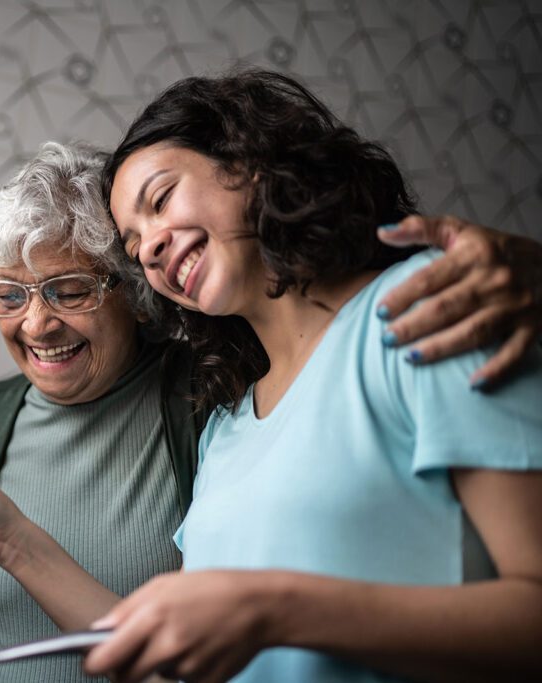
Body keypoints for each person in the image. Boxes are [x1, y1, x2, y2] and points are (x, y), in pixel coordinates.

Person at [0, 137, 540, 681]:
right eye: (8, 295)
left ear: (135, 298)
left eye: (70, 288)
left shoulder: (211, 394)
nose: (36, 322)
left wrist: (527, 261)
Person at [78, 70, 542, 682]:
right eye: (135, 247)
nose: (151, 250)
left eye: (160, 200)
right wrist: (10, 542)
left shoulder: (428, 307)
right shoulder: (225, 429)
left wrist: (277, 609)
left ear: (248, 161)